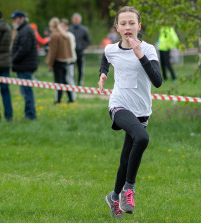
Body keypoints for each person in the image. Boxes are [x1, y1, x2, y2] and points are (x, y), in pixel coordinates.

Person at [98, 6, 162, 218]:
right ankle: (129, 189)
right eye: (123, 23)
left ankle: (114, 196)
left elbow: (158, 81)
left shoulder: (149, 49)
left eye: (131, 23)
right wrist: (103, 75)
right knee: (142, 138)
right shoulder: (111, 49)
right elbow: (106, 59)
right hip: (119, 105)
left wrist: (140, 55)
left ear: (139, 26)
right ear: (117, 27)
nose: (127, 27)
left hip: (142, 111)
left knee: (126, 159)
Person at [11, 10, 38, 120]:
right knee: (25, 92)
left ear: (22, 19)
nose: (13, 21)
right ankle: (29, 114)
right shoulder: (23, 30)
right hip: (23, 65)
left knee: (27, 92)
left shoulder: (26, 30)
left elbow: (24, 49)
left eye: (15, 19)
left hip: (25, 66)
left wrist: (13, 60)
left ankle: (30, 115)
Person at [46, 17, 74, 104]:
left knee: (58, 81)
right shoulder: (63, 34)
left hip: (57, 61)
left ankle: (58, 100)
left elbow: (53, 51)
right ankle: (70, 98)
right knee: (65, 81)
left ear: (51, 26)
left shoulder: (54, 35)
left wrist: (50, 63)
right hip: (64, 61)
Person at [69, 13, 91, 86]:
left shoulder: (84, 29)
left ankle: (79, 82)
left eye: (77, 19)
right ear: (72, 20)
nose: (75, 21)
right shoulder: (69, 29)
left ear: (80, 20)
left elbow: (88, 41)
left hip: (80, 53)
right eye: (74, 19)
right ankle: (71, 82)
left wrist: (82, 47)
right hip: (70, 52)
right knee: (71, 68)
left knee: (80, 68)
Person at [61, 18, 77, 102]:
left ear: (67, 27)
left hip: (70, 60)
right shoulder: (60, 35)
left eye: (63, 26)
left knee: (70, 79)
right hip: (62, 61)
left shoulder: (69, 35)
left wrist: (68, 58)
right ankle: (69, 97)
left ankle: (73, 98)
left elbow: (71, 48)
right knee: (64, 80)